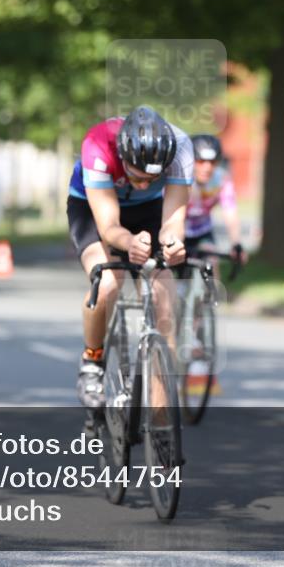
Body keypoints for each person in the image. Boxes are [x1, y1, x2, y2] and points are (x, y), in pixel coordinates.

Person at [67, 105, 193, 409]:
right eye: (137, 177)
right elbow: (109, 226)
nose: (144, 184)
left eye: (153, 178)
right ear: (123, 157)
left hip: (148, 210)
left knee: (164, 289)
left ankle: (161, 412)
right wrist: (130, 242)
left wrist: (172, 242)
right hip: (93, 208)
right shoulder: (97, 145)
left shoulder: (182, 149)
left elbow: (173, 220)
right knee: (109, 282)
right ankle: (92, 362)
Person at [185, 134, 248, 270]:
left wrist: (236, 243)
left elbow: (230, 213)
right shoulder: (179, 177)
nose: (207, 167)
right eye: (201, 161)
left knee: (212, 263)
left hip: (202, 231)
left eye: (212, 162)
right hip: (176, 231)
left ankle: (213, 291)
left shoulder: (221, 180)